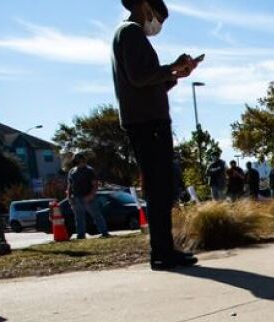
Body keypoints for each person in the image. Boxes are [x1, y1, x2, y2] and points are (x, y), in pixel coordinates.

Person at [112, 0, 200, 270]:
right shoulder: (130, 32)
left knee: (160, 187)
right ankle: (161, 252)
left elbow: (147, 83)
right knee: (159, 188)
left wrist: (175, 75)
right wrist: (172, 66)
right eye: (159, 18)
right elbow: (140, 77)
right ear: (146, 7)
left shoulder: (128, 34)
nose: (158, 25)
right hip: (148, 123)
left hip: (145, 120)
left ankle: (163, 249)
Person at [67, 153, 109, 239]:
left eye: (81, 160)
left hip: (88, 197)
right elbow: (70, 185)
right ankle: (81, 235)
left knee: (96, 215)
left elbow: (95, 184)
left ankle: (104, 232)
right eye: (77, 160)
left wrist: (91, 195)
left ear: (84, 160)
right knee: (79, 217)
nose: (80, 162)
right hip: (76, 198)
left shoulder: (89, 170)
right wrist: (69, 197)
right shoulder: (72, 171)